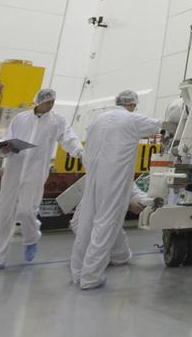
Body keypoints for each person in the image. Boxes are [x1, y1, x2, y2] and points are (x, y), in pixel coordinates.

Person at [0, 88, 83, 272]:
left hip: (35, 172)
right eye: (48, 102)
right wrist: (4, 148)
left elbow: (69, 138)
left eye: (53, 102)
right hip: (14, 170)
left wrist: (79, 152)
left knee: (27, 211)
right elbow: (7, 140)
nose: (51, 105)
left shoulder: (57, 121)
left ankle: (31, 238)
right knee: (2, 214)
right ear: (38, 102)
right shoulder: (21, 118)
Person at [68, 90, 161, 290]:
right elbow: (161, 126)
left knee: (86, 224)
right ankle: (91, 277)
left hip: (93, 177)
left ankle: (77, 273)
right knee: (106, 225)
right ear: (132, 105)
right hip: (115, 180)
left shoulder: (97, 120)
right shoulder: (131, 119)